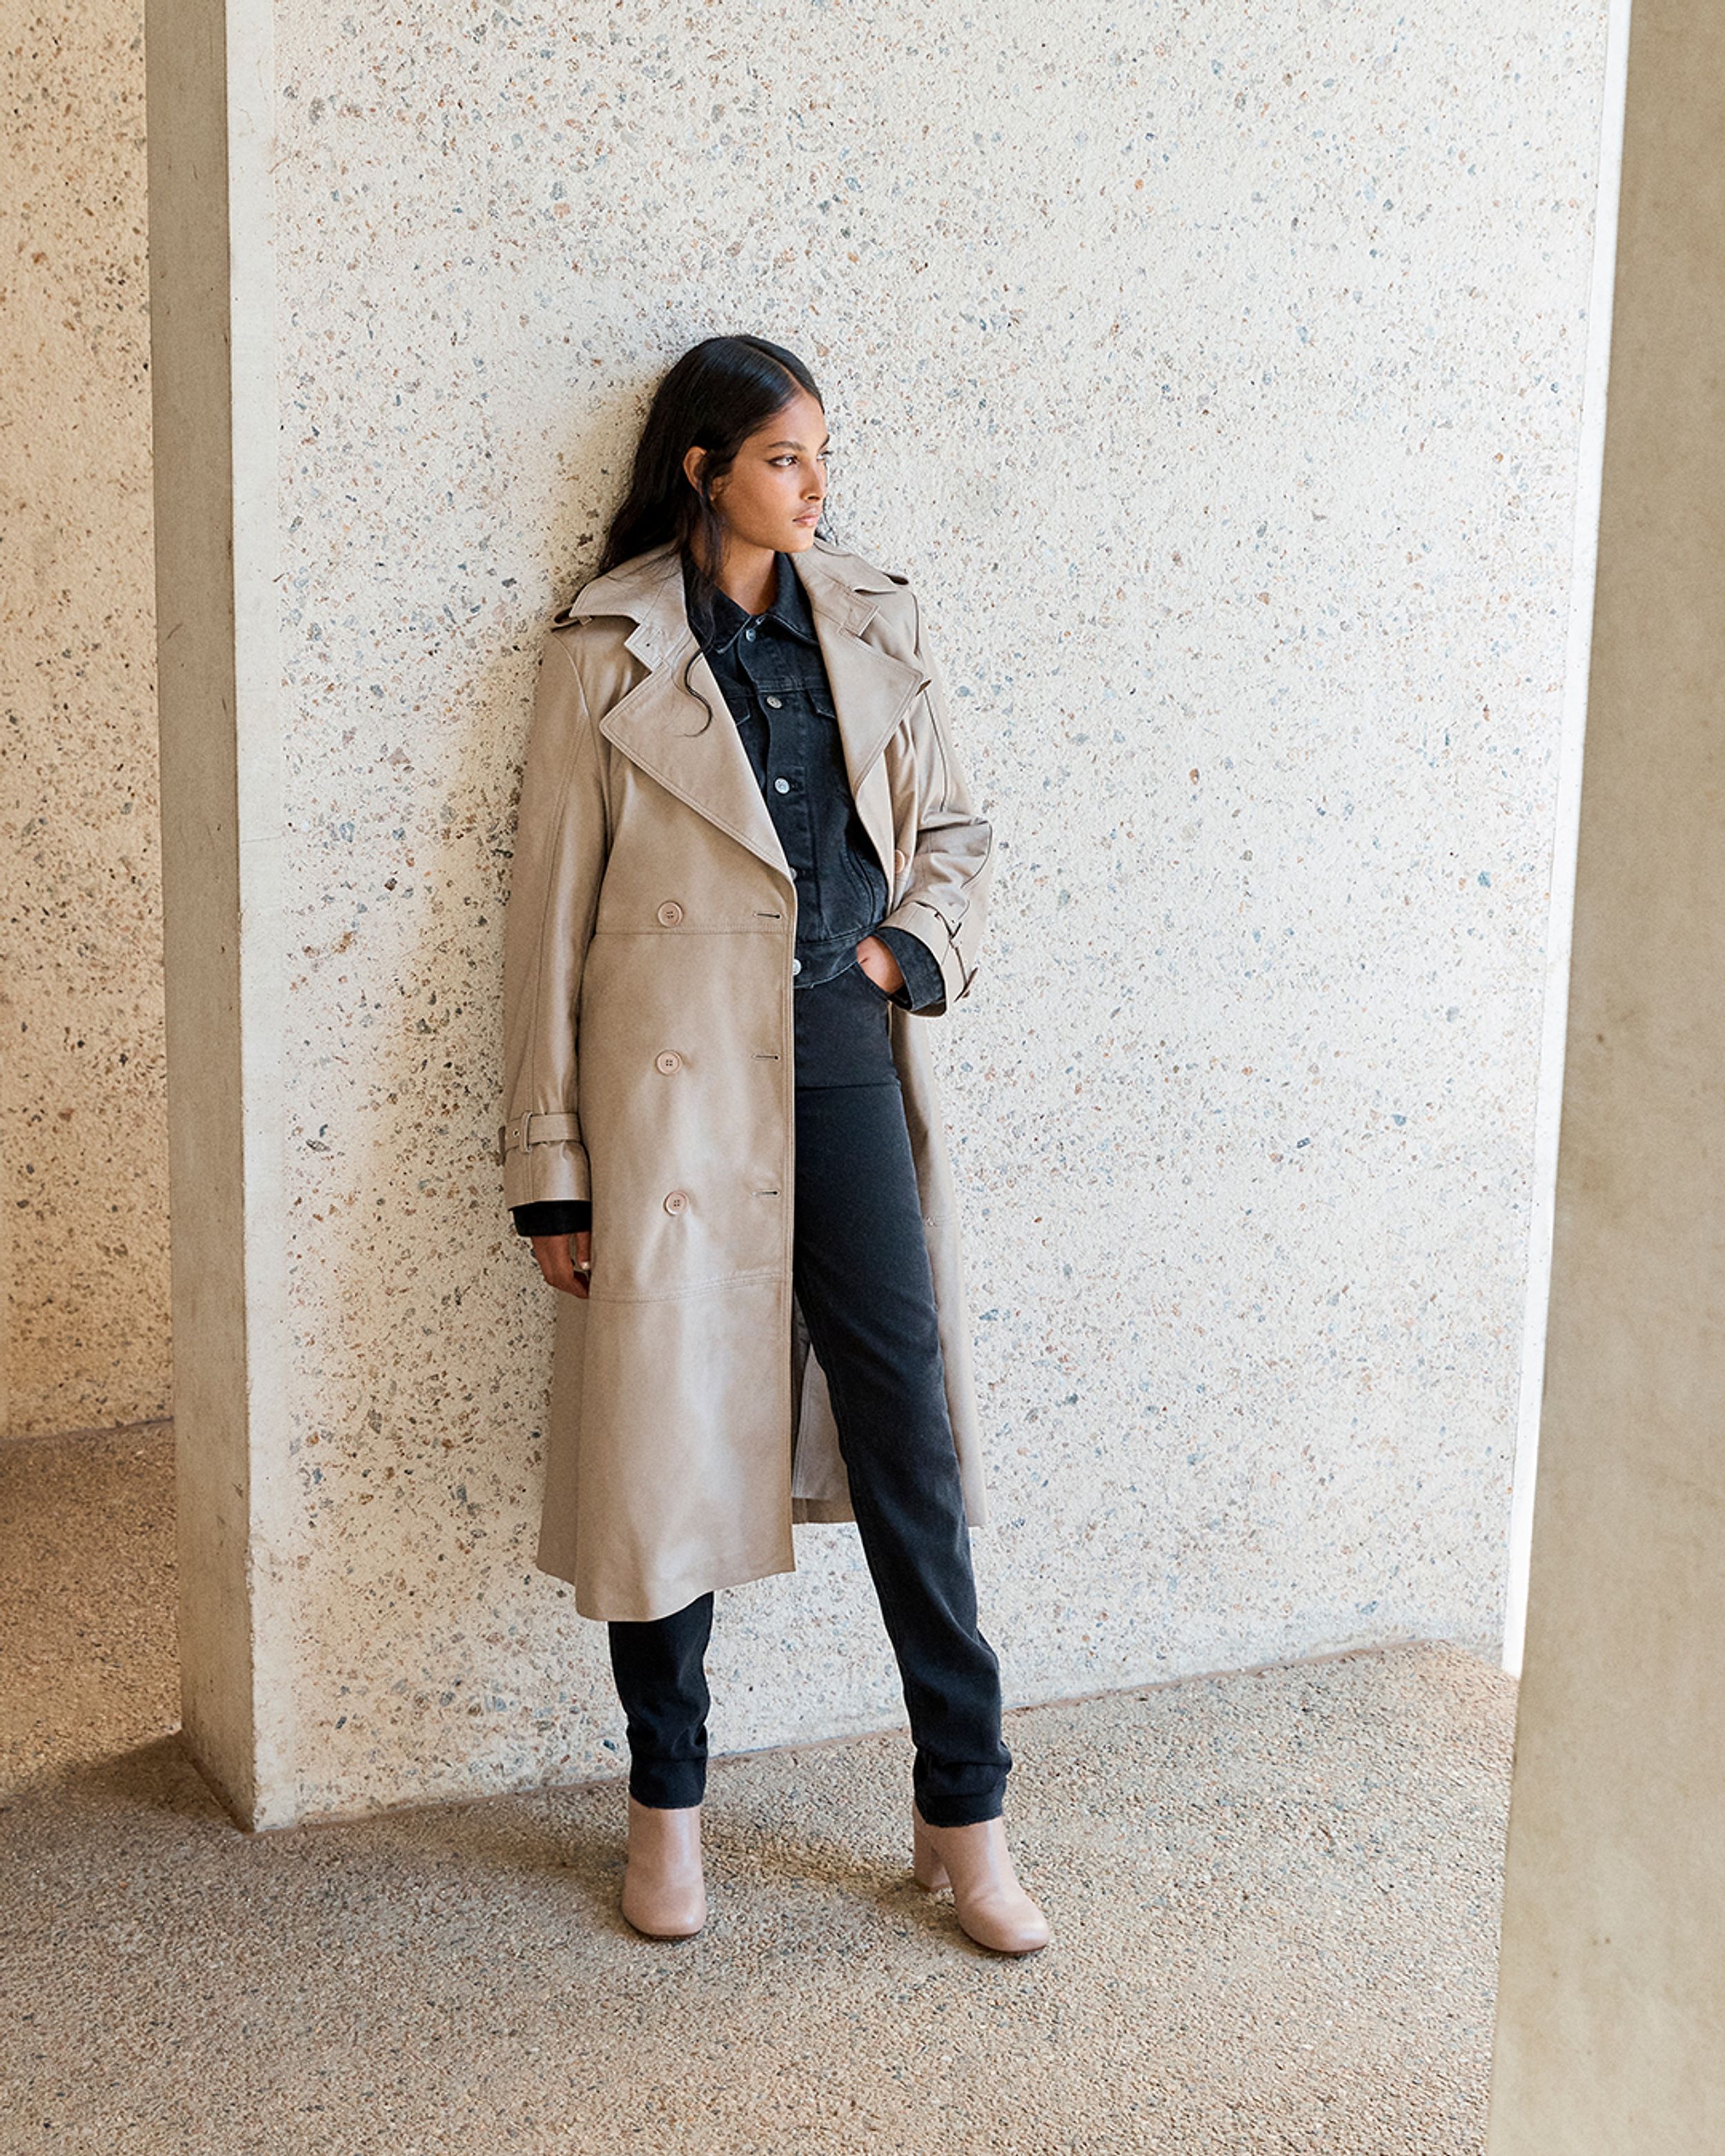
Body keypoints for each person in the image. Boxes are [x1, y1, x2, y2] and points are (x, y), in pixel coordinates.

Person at [500, 333, 1049, 1955]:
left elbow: (954, 831)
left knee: (910, 1438)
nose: (815, 487)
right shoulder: (603, 650)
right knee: (662, 1446)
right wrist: (551, 1165)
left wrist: (897, 956)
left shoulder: (871, 619)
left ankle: (964, 1812)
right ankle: (664, 1809)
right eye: (785, 460)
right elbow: (542, 925)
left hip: (838, 1061)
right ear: (703, 467)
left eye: (821, 457)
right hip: (664, 1099)